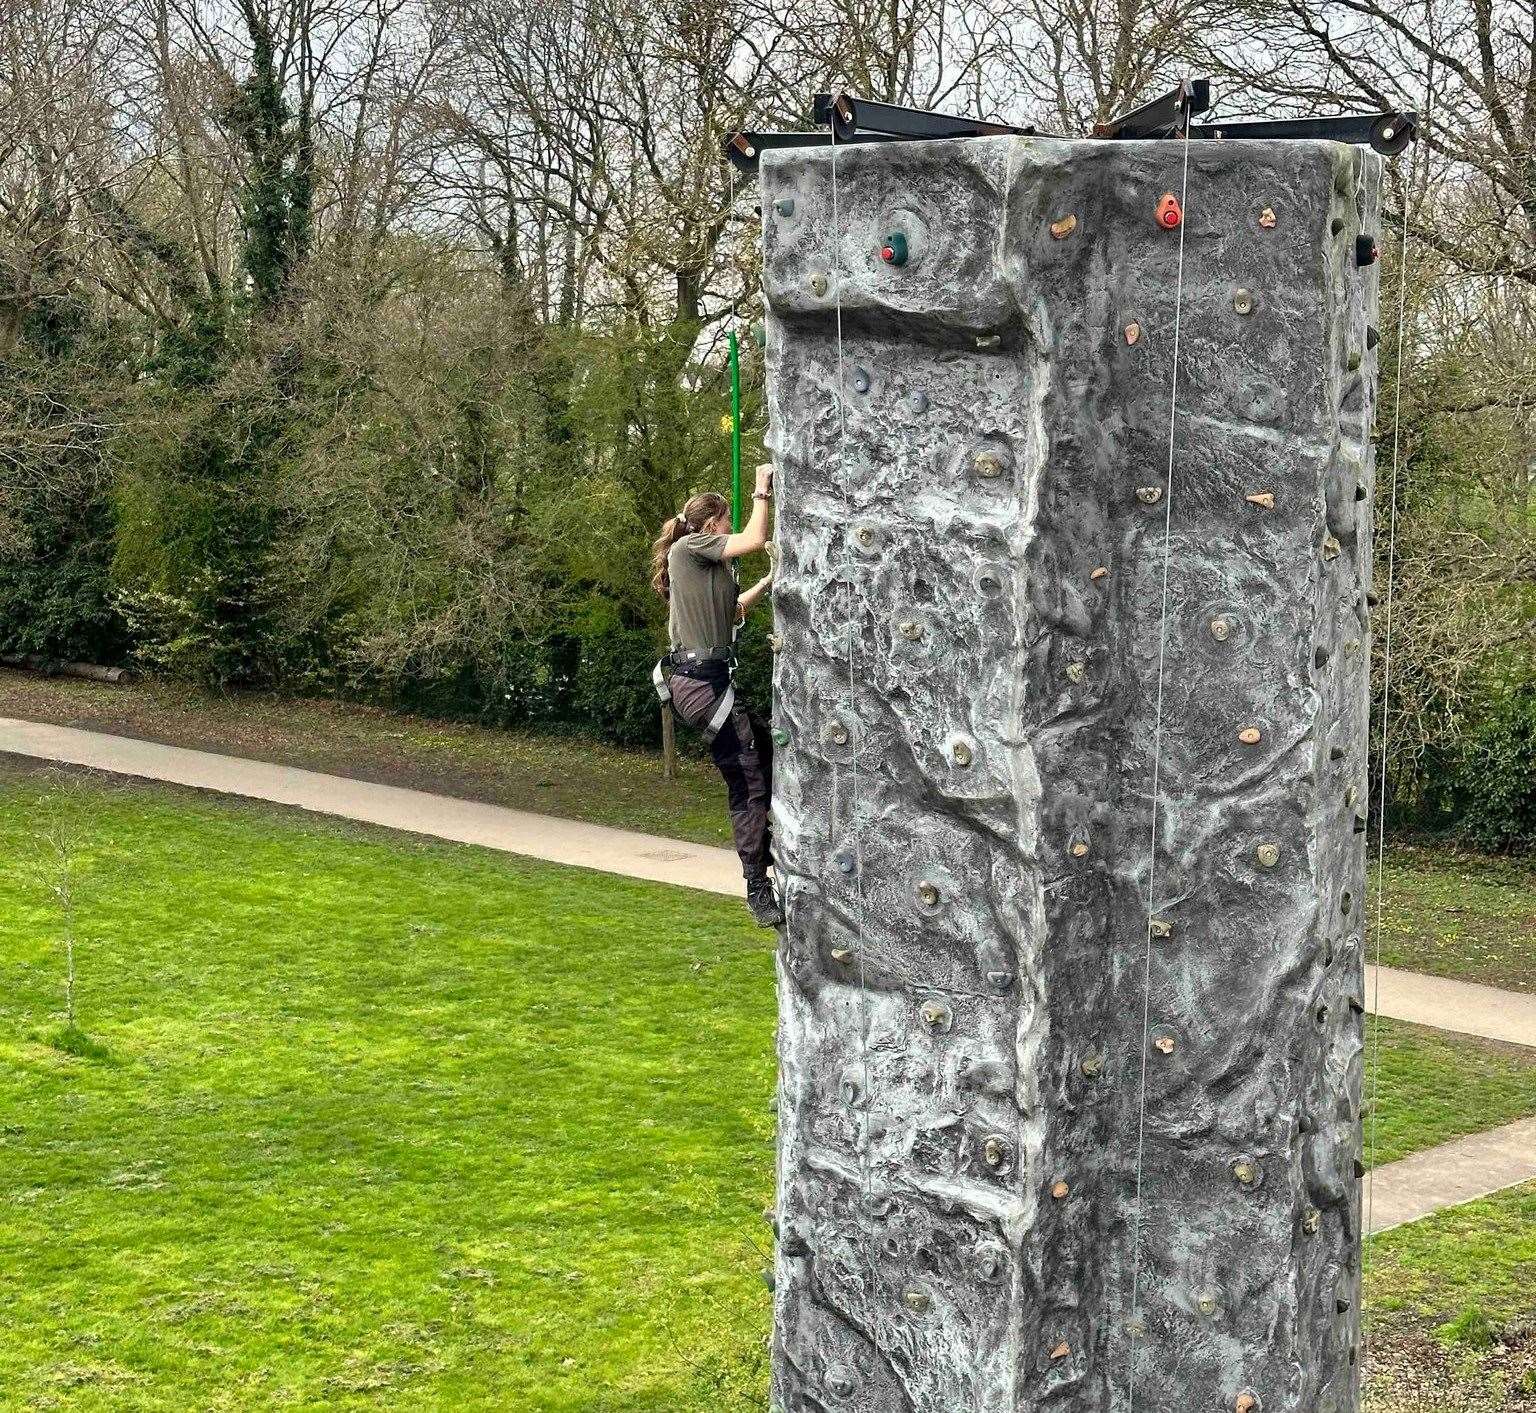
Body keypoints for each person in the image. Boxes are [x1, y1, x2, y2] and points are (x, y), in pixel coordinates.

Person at [650, 463, 781, 927]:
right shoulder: (689, 548)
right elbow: (749, 539)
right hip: (700, 684)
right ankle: (757, 885)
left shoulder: (710, 572)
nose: (730, 529)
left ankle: (773, 842)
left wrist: (771, 581)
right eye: (727, 520)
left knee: (763, 748)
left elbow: (735, 609)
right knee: (747, 778)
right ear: (713, 525)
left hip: (709, 680)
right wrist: (762, 492)